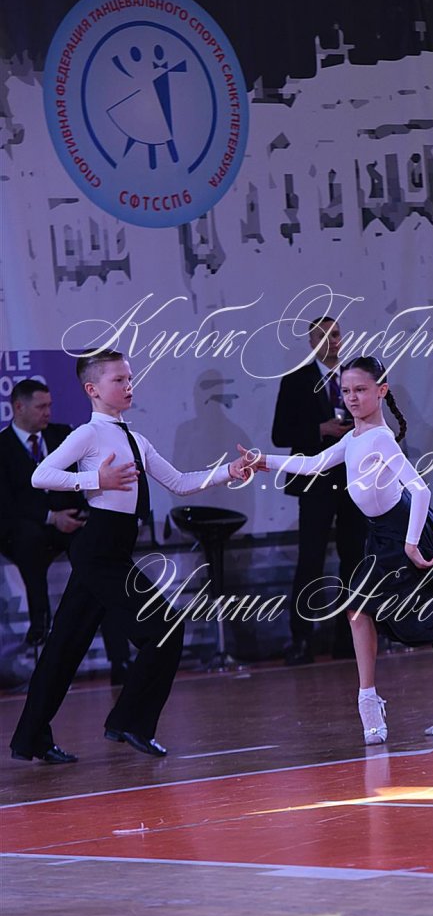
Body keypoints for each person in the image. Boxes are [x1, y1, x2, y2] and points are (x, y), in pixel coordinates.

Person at [240, 356, 433, 745]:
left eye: (360, 390)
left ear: (381, 391)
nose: (351, 398)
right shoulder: (353, 438)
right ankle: (377, 699)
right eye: (346, 391)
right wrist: (263, 461)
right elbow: (315, 463)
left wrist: (411, 544)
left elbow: (420, 490)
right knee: (361, 611)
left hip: (405, 530)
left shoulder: (380, 438)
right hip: (381, 535)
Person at [10, 350, 249, 764]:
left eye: (129, 378)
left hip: (113, 550)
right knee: (166, 629)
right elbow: (40, 475)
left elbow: (180, 482)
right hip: (99, 551)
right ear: (92, 389)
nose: (128, 386)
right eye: (118, 380)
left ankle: (30, 739)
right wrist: (95, 479)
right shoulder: (88, 434)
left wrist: (230, 470)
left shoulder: (136, 439)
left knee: (64, 647)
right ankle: (130, 722)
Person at [0, 379, 131, 682]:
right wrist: (50, 517)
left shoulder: (63, 435)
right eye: (41, 407)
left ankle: (120, 659)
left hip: (69, 522)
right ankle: (40, 629)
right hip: (24, 529)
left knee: (98, 559)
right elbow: (5, 503)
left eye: (49, 406)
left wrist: (79, 512)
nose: (48, 412)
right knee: (30, 544)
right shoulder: (2, 447)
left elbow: (83, 478)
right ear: (19, 407)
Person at [271, 316, 366, 664]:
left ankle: (350, 638)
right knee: (310, 559)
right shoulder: (296, 380)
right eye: (322, 335)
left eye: (336, 334)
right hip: (315, 480)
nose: (330, 341)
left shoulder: (356, 377)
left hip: (354, 479)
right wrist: (320, 429)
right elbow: (280, 434)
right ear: (311, 342)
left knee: (355, 559)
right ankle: (302, 639)